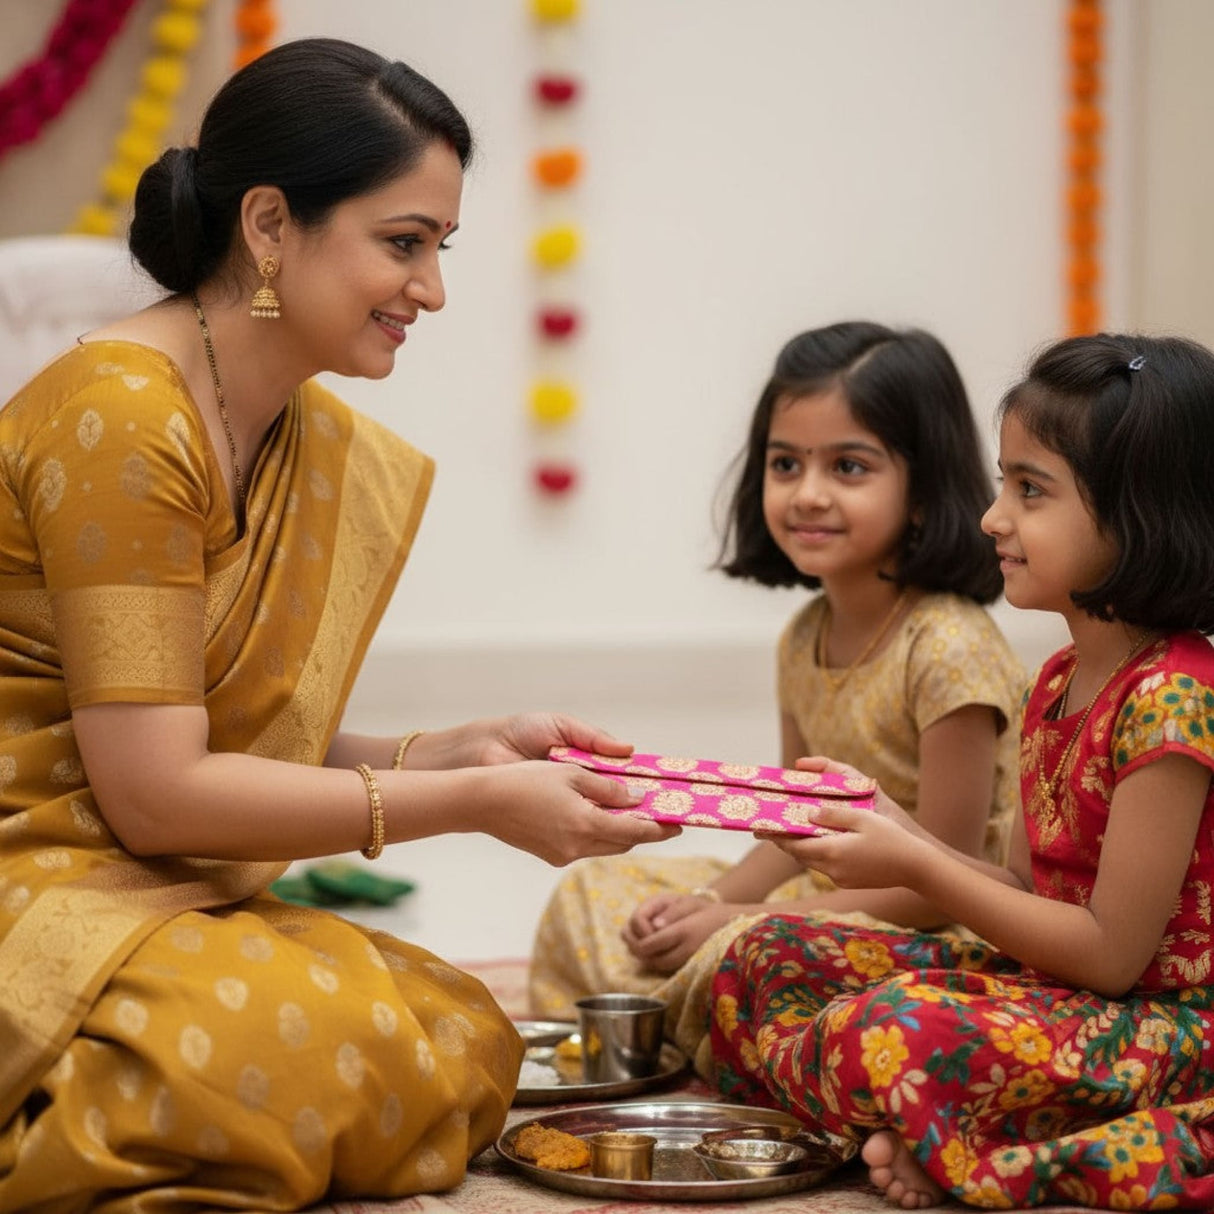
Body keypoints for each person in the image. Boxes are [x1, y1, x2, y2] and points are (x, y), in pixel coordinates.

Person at [0, 38, 677, 1213]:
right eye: (402, 244)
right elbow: (157, 794)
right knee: (318, 1046)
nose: (431, 289)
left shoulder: (293, 430)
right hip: (39, 879)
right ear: (269, 224)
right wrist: (466, 805)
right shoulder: (122, 420)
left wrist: (458, 749)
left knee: (457, 1032)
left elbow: (218, 740)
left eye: (437, 249)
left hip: (144, 874)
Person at [710, 332, 1214, 1210]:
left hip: (1159, 1027)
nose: (992, 518)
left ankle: (946, 1130)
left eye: (1030, 490)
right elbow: (1021, 887)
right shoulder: (1059, 678)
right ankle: (918, 1121)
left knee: (902, 1029)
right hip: (1049, 991)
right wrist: (895, 826)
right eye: (1001, 483)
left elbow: (1109, 956)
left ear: (1136, 511)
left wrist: (917, 865)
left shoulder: (1175, 695)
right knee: (763, 954)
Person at [529, 322, 1025, 1070]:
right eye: (786, 463)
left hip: (932, 930)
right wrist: (713, 898)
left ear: (922, 489)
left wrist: (737, 917)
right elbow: (788, 825)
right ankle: (698, 1028)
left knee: (754, 949)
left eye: (849, 467)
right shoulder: (804, 635)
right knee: (597, 894)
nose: (809, 494)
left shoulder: (948, 647)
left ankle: (698, 1028)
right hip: (817, 900)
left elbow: (941, 889)